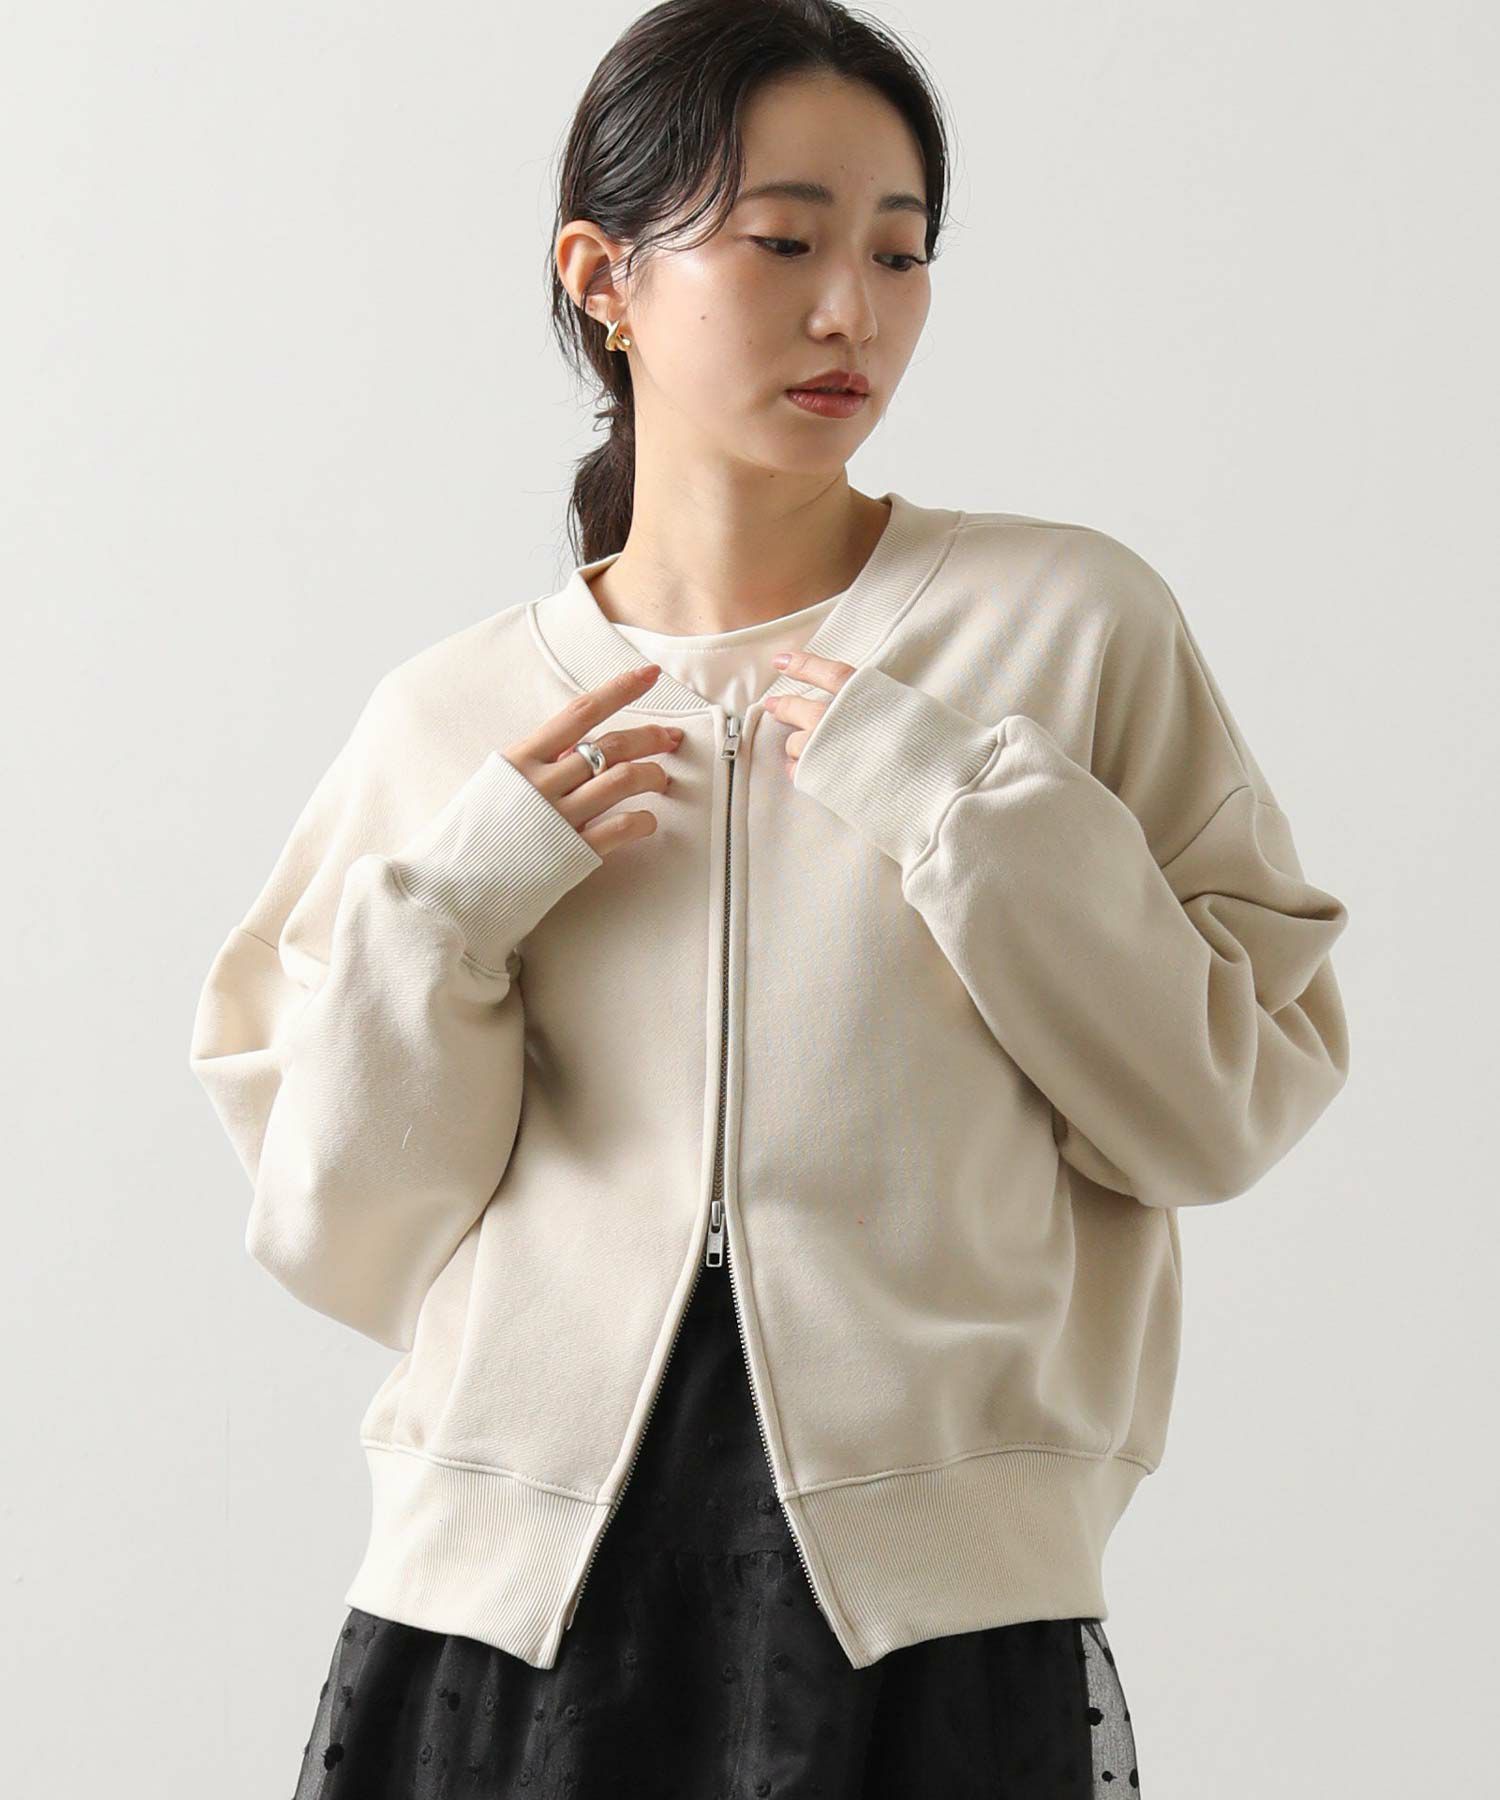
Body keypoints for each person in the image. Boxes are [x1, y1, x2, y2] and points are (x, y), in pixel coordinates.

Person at [188, 1, 1351, 1793]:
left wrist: (960, 811)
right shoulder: (452, 718)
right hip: (510, 1614)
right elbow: (344, 1232)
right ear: (604, 276)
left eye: (899, 252)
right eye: (785, 243)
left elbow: (1218, 1109)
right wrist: (453, 911)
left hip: (932, 1619)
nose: (851, 315)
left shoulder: (1066, 628)